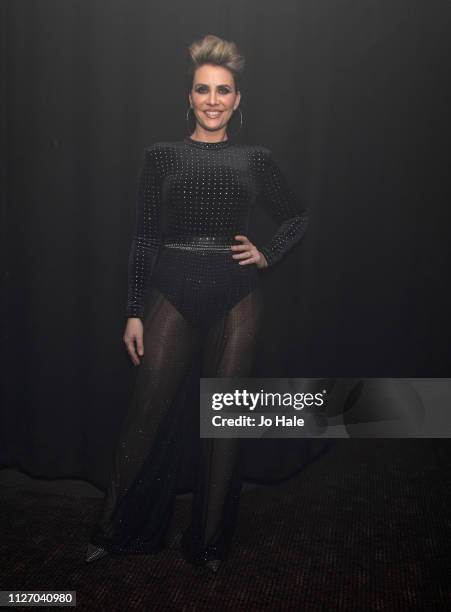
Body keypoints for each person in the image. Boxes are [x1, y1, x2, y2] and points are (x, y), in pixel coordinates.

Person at [85, 33, 309, 574]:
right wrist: (135, 309)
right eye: (203, 90)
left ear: (237, 99)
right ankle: (117, 532)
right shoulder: (161, 157)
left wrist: (268, 252)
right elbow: (143, 236)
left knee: (223, 423)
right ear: (189, 96)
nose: (213, 99)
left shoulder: (257, 159)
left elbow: (296, 216)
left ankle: (207, 545)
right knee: (145, 416)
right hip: (172, 289)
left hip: (238, 296)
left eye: (223, 90)